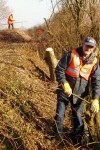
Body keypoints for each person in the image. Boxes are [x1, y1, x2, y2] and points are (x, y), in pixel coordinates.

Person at [54, 37, 100, 145]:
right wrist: (64, 83)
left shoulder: (94, 62)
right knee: (60, 115)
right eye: (87, 45)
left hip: (80, 94)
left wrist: (96, 99)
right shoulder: (71, 55)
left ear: (94, 49)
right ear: (83, 44)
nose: (88, 48)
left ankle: (77, 142)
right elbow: (59, 69)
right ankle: (57, 139)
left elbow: (96, 82)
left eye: (91, 47)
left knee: (78, 119)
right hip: (64, 91)